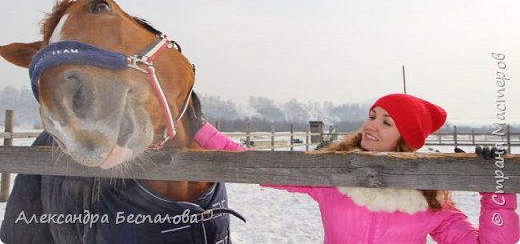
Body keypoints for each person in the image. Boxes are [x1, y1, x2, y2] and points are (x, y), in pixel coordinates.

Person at [187, 93, 520, 244]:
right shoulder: (333, 175)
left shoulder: (429, 199)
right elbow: (260, 165)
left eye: (386, 123)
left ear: (406, 140)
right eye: (372, 115)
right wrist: (199, 129)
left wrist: (497, 189)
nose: (371, 126)